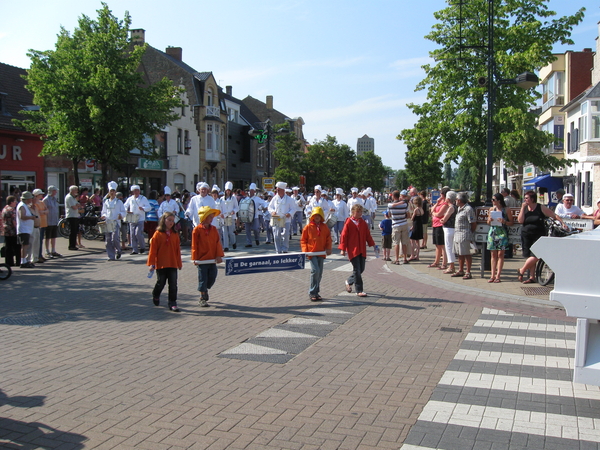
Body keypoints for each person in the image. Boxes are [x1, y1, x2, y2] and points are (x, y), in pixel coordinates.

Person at [517, 190, 564, 284]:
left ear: (532, 199)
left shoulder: (540, 207)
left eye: (527, 198)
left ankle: (522, 270)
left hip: (538, 234)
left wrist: (562, 223)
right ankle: (532, 277)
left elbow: (553, 215)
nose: (525, 200)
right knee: (530, 256)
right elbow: (520, 221)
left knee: (537, 255)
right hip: (526, 233)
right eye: (525, 198)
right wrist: (522, 208)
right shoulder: (525, 208)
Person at [147, 211, 183, 312]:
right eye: (169, 220)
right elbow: (153, 250)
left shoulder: (175, 234)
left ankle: (172, 302)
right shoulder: (158, 234)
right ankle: (156, 294)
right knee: (161, 282)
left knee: (173, 284)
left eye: (173, 221)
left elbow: (177, 250)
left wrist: (179, 263)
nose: (171, 222)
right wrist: (152, 263)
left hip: (172, 263)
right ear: (164, 220)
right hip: (161, 263)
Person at [339, 204, 376, 298]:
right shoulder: (348, 222)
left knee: (361, 269)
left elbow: (367, 234)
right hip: (353, 250)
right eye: (358, 212)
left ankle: (349, 281)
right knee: (357, 269)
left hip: (362, 249)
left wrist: (373, 244)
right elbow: (343, 236)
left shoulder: (363, 222)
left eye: (361, 212)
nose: (360, 213)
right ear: (353, 212)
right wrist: (342, 249)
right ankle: (359, 290)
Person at [192, 206, 224, 307]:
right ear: (204, 217)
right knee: (203, 278)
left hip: (212, 259)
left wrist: (219, 255)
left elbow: (218, 243)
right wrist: (195, 258)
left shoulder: (214, 229)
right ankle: (202, 297)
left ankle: (205, 289)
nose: (212, 218)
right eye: (210, 217)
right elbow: (194, 245)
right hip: (202, 259)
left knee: (212, 276)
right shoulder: (197, 230)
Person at [301, 206, 333, 302]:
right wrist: (305, 251)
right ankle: (312, 292)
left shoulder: (324, 227)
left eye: (319, 215)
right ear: (312, 216)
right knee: (315, 271)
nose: (317, 217)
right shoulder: (307, 227)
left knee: (319, 273)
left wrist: (328, 248)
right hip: (312, 253)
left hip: (321, 252)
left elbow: (328, 239)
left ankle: (316, 291)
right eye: (315, 215)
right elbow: (303, 240)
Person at [486, 193, 514, 283]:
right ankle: (492, 275)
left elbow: (511, 222)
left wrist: (504, 221)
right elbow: (488, 222)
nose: (492, 201)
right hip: (493, 232)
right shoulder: (491, 209)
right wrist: (489, 220)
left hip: (502, 232)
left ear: (499, 201)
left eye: (494, 200)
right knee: (493, 254)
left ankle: (498, 275)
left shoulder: (506, 210)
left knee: (500, 254)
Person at [452, 192, 477, 280]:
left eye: (456, 199)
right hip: (457, 234)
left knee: (466, 254)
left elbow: (473, 223)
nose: (455, 201)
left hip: (464, 234)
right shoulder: (459, 208)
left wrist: (470, 234)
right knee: (460, 254)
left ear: (459, 200)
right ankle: (461, 270)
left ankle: (468, 272)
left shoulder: (468, 209)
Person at [100, 181, 127, 261]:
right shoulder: (106, 202)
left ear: (115, 192)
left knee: (114, 239)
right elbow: (104, 211)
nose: (112, 193)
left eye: (113, 191)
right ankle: (111, 256)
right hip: (108, 222)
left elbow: (124, 212)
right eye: (111, 191)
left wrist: (120, 215)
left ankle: (118, 250)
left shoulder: (119, 202)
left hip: (115, 222)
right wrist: (103, 216)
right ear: (109, 192)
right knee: (108, 240)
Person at [268, 181, 296, 254]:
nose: (277, 191)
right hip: (276, 219)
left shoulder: (290, 199)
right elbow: (270, 207)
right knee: (276, 235)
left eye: (278, 190)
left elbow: (294, 208)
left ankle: (285, 249)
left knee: (286, 234)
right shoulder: (274, 198)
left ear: (283, 190)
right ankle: (278, 250)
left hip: (286, 219)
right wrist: (272, 212)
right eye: (276, 190)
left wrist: (289, 213)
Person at [124, 185, 151, 255]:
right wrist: (127, 211)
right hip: (132, 218)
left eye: (137, 190)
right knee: (132, 234)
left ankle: (142, 247)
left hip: (140, 218)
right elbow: (125, 206)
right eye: (135, 191)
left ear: (139, 191)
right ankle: (134, 249)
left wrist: (143, 208)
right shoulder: (130, 199)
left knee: (138, 233)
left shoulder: (143, 198)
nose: (136, 192)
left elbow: (149, 207)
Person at [387, 190, 410, 265]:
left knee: (396, 243)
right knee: (404, 242)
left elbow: (389, 215)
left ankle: (397, 259)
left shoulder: (390, 205)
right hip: (404, 224)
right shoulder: (404, 205)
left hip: (396, 225)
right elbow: (408, 215)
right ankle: (405, 258)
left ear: (393, 196)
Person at [429, 188, 449, 269]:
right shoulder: (440, 202)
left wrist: (434, 213)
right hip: (435, 225)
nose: (440, 195)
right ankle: (436, 262)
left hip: (440, 225)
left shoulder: (445, 204)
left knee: (442, 245)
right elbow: (431, 210)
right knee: (437, 245)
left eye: (441, 193)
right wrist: (437, 203)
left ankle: (444, 263)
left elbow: (439, 214)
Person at [16, 191, 36, 268]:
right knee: (25, 246)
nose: (31, 199)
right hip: (24, 229)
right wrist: (32, 217)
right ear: (27, 199)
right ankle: (23, 261)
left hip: (28, 229)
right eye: (30, 198)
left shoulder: (26, 205)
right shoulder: (22, 206)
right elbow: (22, 216)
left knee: (28, 245)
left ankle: (27, 260)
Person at [440, 191, 457, 274]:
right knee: (452, 247)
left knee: (449, 247)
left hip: (448, 229)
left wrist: (441, 220)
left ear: (448, 199)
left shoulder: (451, 207)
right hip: (454, 228)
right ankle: (452, 265)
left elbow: (444, 219)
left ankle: (451, 266)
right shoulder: (457, 207)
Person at [43, 186, 62, 258]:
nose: (56, 192)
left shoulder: (55, 199)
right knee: (47, 236)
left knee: (54, 236)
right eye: (55, 191)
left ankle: (53, 250)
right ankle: (47, 251)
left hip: (54, 220)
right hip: (48, 221)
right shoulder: (46, 200)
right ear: (51, 191)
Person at [2, 196, 21, 267]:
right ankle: (18, 261)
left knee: (8, 247)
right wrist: (18, 229)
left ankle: (9, 262)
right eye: (15, 201)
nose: (16, 203)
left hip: (6, 230)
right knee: (17, 247)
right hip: (13, 231)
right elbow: (14, 221)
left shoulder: (4, 209)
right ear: (11, 202)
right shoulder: (12, 210)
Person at [220, 182, 239, 251]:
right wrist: (221, 214)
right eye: (227, 190)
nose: (228, 192)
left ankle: (233, 242)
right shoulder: (222, 199)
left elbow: (237, 207)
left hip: (231, 217)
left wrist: (234, 211)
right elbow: (220, 208)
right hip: (224, 217)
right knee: (224, 232)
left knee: (231, 232)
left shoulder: (233, 198)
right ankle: (226, 246)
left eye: (229, 190)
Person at [242, 183, 261, 248]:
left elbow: (263, 203)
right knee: (247, 230)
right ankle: (249, 242)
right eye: (250, 190)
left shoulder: (257, 199)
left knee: (256, 229)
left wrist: (263, 207)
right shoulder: (246, 199)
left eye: (252, 190)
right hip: (248, 216)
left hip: (255, 216)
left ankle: (257, 238)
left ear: (254, 191)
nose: (251, 192)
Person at [31, 189, 47, 263]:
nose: (41, 195)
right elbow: (38, 212)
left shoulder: (41, 202)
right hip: (38, 224)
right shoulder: (34, 204)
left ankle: (39, 255)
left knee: (40, 240)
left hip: (43, 223)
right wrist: (43, 212)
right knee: (37, 241)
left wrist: (43, 212)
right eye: (40, 194)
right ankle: (37, 256)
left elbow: (47, 211)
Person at [64, 185, 81, 251]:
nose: (77, 191)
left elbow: (78, 205)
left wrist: (77, 205)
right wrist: (77, 206)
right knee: (72, 231)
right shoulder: (69, 197)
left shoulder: (73, 197)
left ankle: (74, 244)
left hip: (75, 215)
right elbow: (74, 207)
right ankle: (71, 245)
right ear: (72, 190)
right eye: (76, 190)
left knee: (75, 231)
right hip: (71, 216)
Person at [409, 196, 424, 261]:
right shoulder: (421, 209)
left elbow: (412, 218)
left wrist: (412, 213)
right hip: (420, 226)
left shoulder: (416, 210)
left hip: (415, 225)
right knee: (418, 242)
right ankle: (417, 255)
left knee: (412, 241)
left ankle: (412, 255)